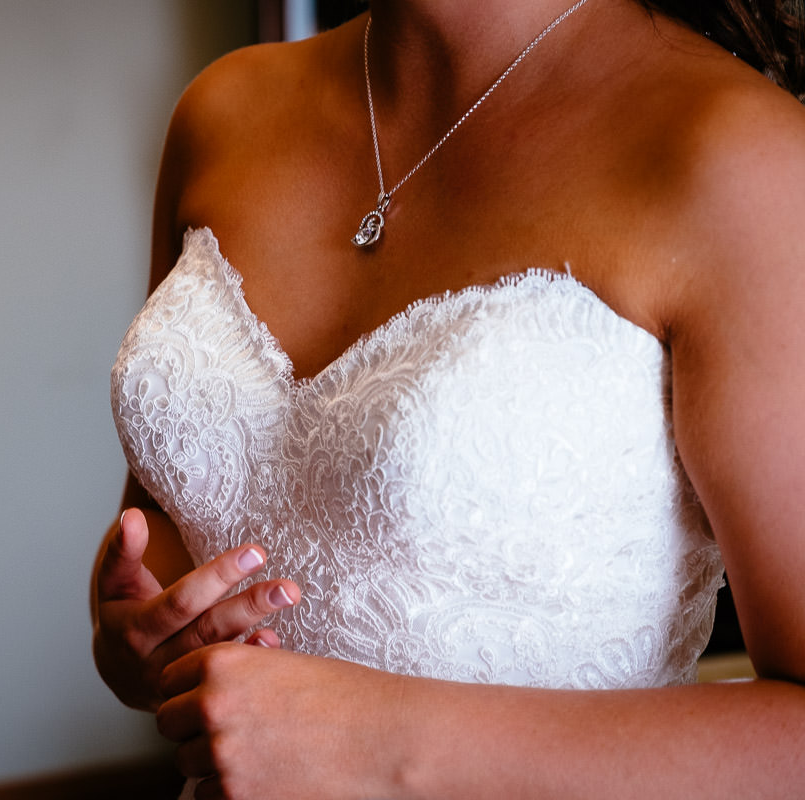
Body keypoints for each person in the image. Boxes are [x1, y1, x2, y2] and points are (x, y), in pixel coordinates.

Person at [93, 0, 805, 796]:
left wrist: (384, 745)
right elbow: (164, 519)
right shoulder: (219, 111)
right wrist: (140, 626)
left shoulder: (743, 160)